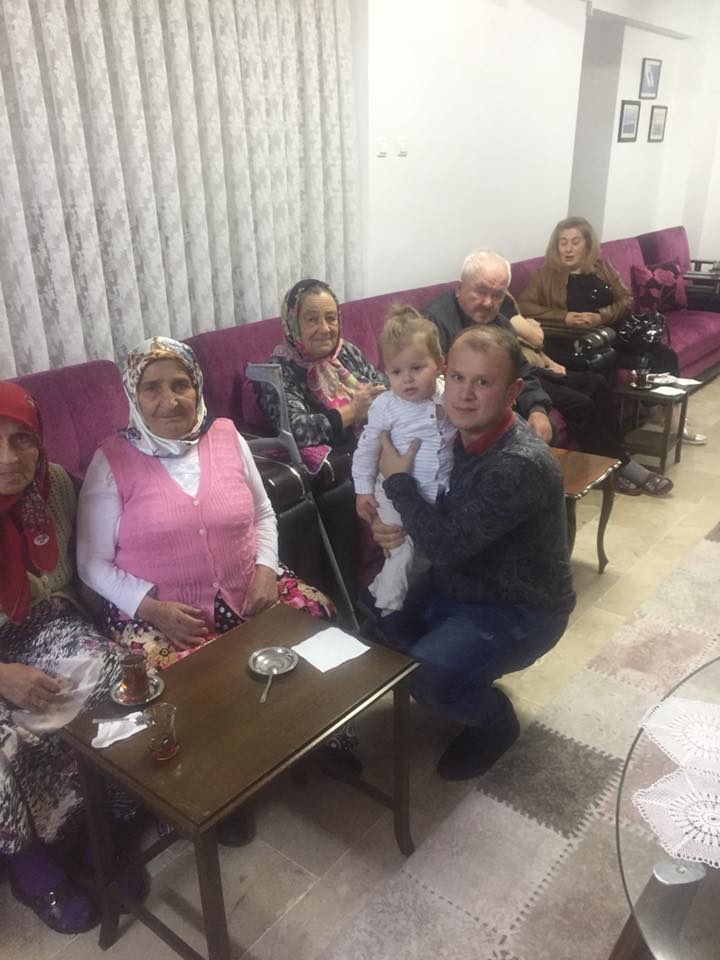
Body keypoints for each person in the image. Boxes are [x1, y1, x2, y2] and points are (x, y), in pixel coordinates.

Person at [76, 338, 341, 839]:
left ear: (197, 387)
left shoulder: (226, 435)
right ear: (133, 394)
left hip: (250, 582)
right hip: (160, 611)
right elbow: (91, 562)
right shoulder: (111, 459)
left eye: (181, 384)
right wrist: (150, 607)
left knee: (316, 617)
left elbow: (263, 514)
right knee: (186, 685)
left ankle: (313, 731)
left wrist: (266, 569)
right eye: (152, 388)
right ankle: (214, 789)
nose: (169, 399)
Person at [369, 326, 575, 781]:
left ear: (512, 392)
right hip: (461, 582)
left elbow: (445, 545)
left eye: (483, 382)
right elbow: (429, 515)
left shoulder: (518, 463)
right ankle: (459, 668)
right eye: (458, 378)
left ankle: (496, 722)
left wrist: (398, 483)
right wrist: (387, 526)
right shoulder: (449, 433)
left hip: (521, 608)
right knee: (377, 616)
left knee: (429, 677)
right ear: (445, 374)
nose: (464, 394)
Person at [0, 382, 124, 934]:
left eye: (21, 438)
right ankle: (29, 867)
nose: (9, 457)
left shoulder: (52, 487)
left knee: (112, 675)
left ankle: (99, 822)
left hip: (45, 625)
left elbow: (82, 571)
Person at [518, 216, 707, 445]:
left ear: (587, 244)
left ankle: (671, 417)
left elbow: (626, 299)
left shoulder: (601, 266)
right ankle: (647, 418)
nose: (568, 249)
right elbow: (524, 306)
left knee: (665, 355)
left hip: (617, 331)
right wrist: (564, 316)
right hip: (588, 341)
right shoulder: (546, 274)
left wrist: (602, 315)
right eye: (563, 242)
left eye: (575, 242)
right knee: (631, 362)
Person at [508, 299, 673, 497]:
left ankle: (615, 453)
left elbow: (526, 350)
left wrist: (550, 361)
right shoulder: (487, 318)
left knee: (597, 382)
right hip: (521, 379)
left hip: (534, 367)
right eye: (484, 291)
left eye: (498, 293)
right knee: (581, 403)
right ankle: (620, 465)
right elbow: (532, 338)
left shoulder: (503, 307)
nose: (490, 300)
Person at [352, 306, 456, 614]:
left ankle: (378, 591)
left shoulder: (449, 395)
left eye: (417, 368)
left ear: (439, 363)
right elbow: (367, 448)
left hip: (435, 493)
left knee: (425, 552)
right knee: (401, 550)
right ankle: (387, 609)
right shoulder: (386, 406)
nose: (407, 379)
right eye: (396, 372)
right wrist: (363, 490)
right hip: (392, 491)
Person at [423, 250, 556, 445]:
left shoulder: (501, 324)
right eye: (480, 291)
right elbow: (433, 388)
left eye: (497, 296)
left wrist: (537, 409)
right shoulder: (433, 324)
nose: (488, 303)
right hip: (459, 418)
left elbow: (522, 370)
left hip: (498, 407)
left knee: (548, 425)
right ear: (459, 288)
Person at [255, 278, 387, 458]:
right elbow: (297, 429)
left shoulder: (345, 350)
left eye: (331, 318)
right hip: (349, 458)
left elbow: (383, 383)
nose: (325, 329)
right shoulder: (277, 371)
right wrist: (353, 410)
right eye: (312, 320)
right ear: (292, 324)